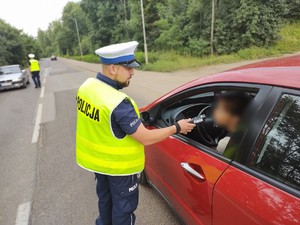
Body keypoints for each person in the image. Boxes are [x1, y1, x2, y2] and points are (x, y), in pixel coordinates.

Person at [75, 41, 196, 225]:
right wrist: (177, 127)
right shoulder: (119, 103)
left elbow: (102, 121)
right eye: (128, 68)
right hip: (120, 169)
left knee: (105, 204)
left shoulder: (87, 88)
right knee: (123, 212)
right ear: (113, 68)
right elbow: (145, 137)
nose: (133, 73)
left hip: (99, 165)